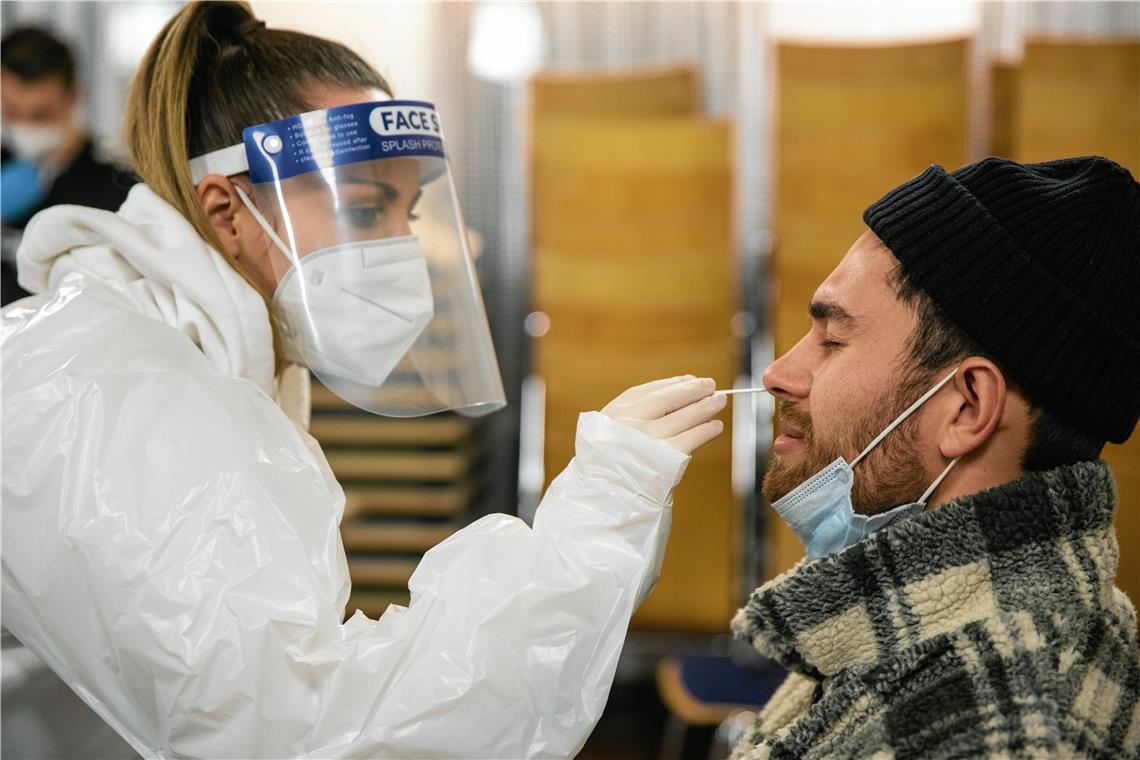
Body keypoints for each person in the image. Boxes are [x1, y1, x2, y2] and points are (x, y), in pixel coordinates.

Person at [0, 2, 727, 757]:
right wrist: (598, 520)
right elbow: (311, 736)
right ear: (228, 209)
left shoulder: (180, 357)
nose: (399, 251)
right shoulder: (122, 388)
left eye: (406, 212)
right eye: (365, 207)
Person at [730, 156, 1139, 759]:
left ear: (968, 408)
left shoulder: (994, 728)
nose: (778, 374)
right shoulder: (900, 631)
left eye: (834, 340)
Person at [0, 26, 133, 305]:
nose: (23, 125)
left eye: (41, 114)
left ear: (73, 98)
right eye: (11, 111)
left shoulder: (116, 183)